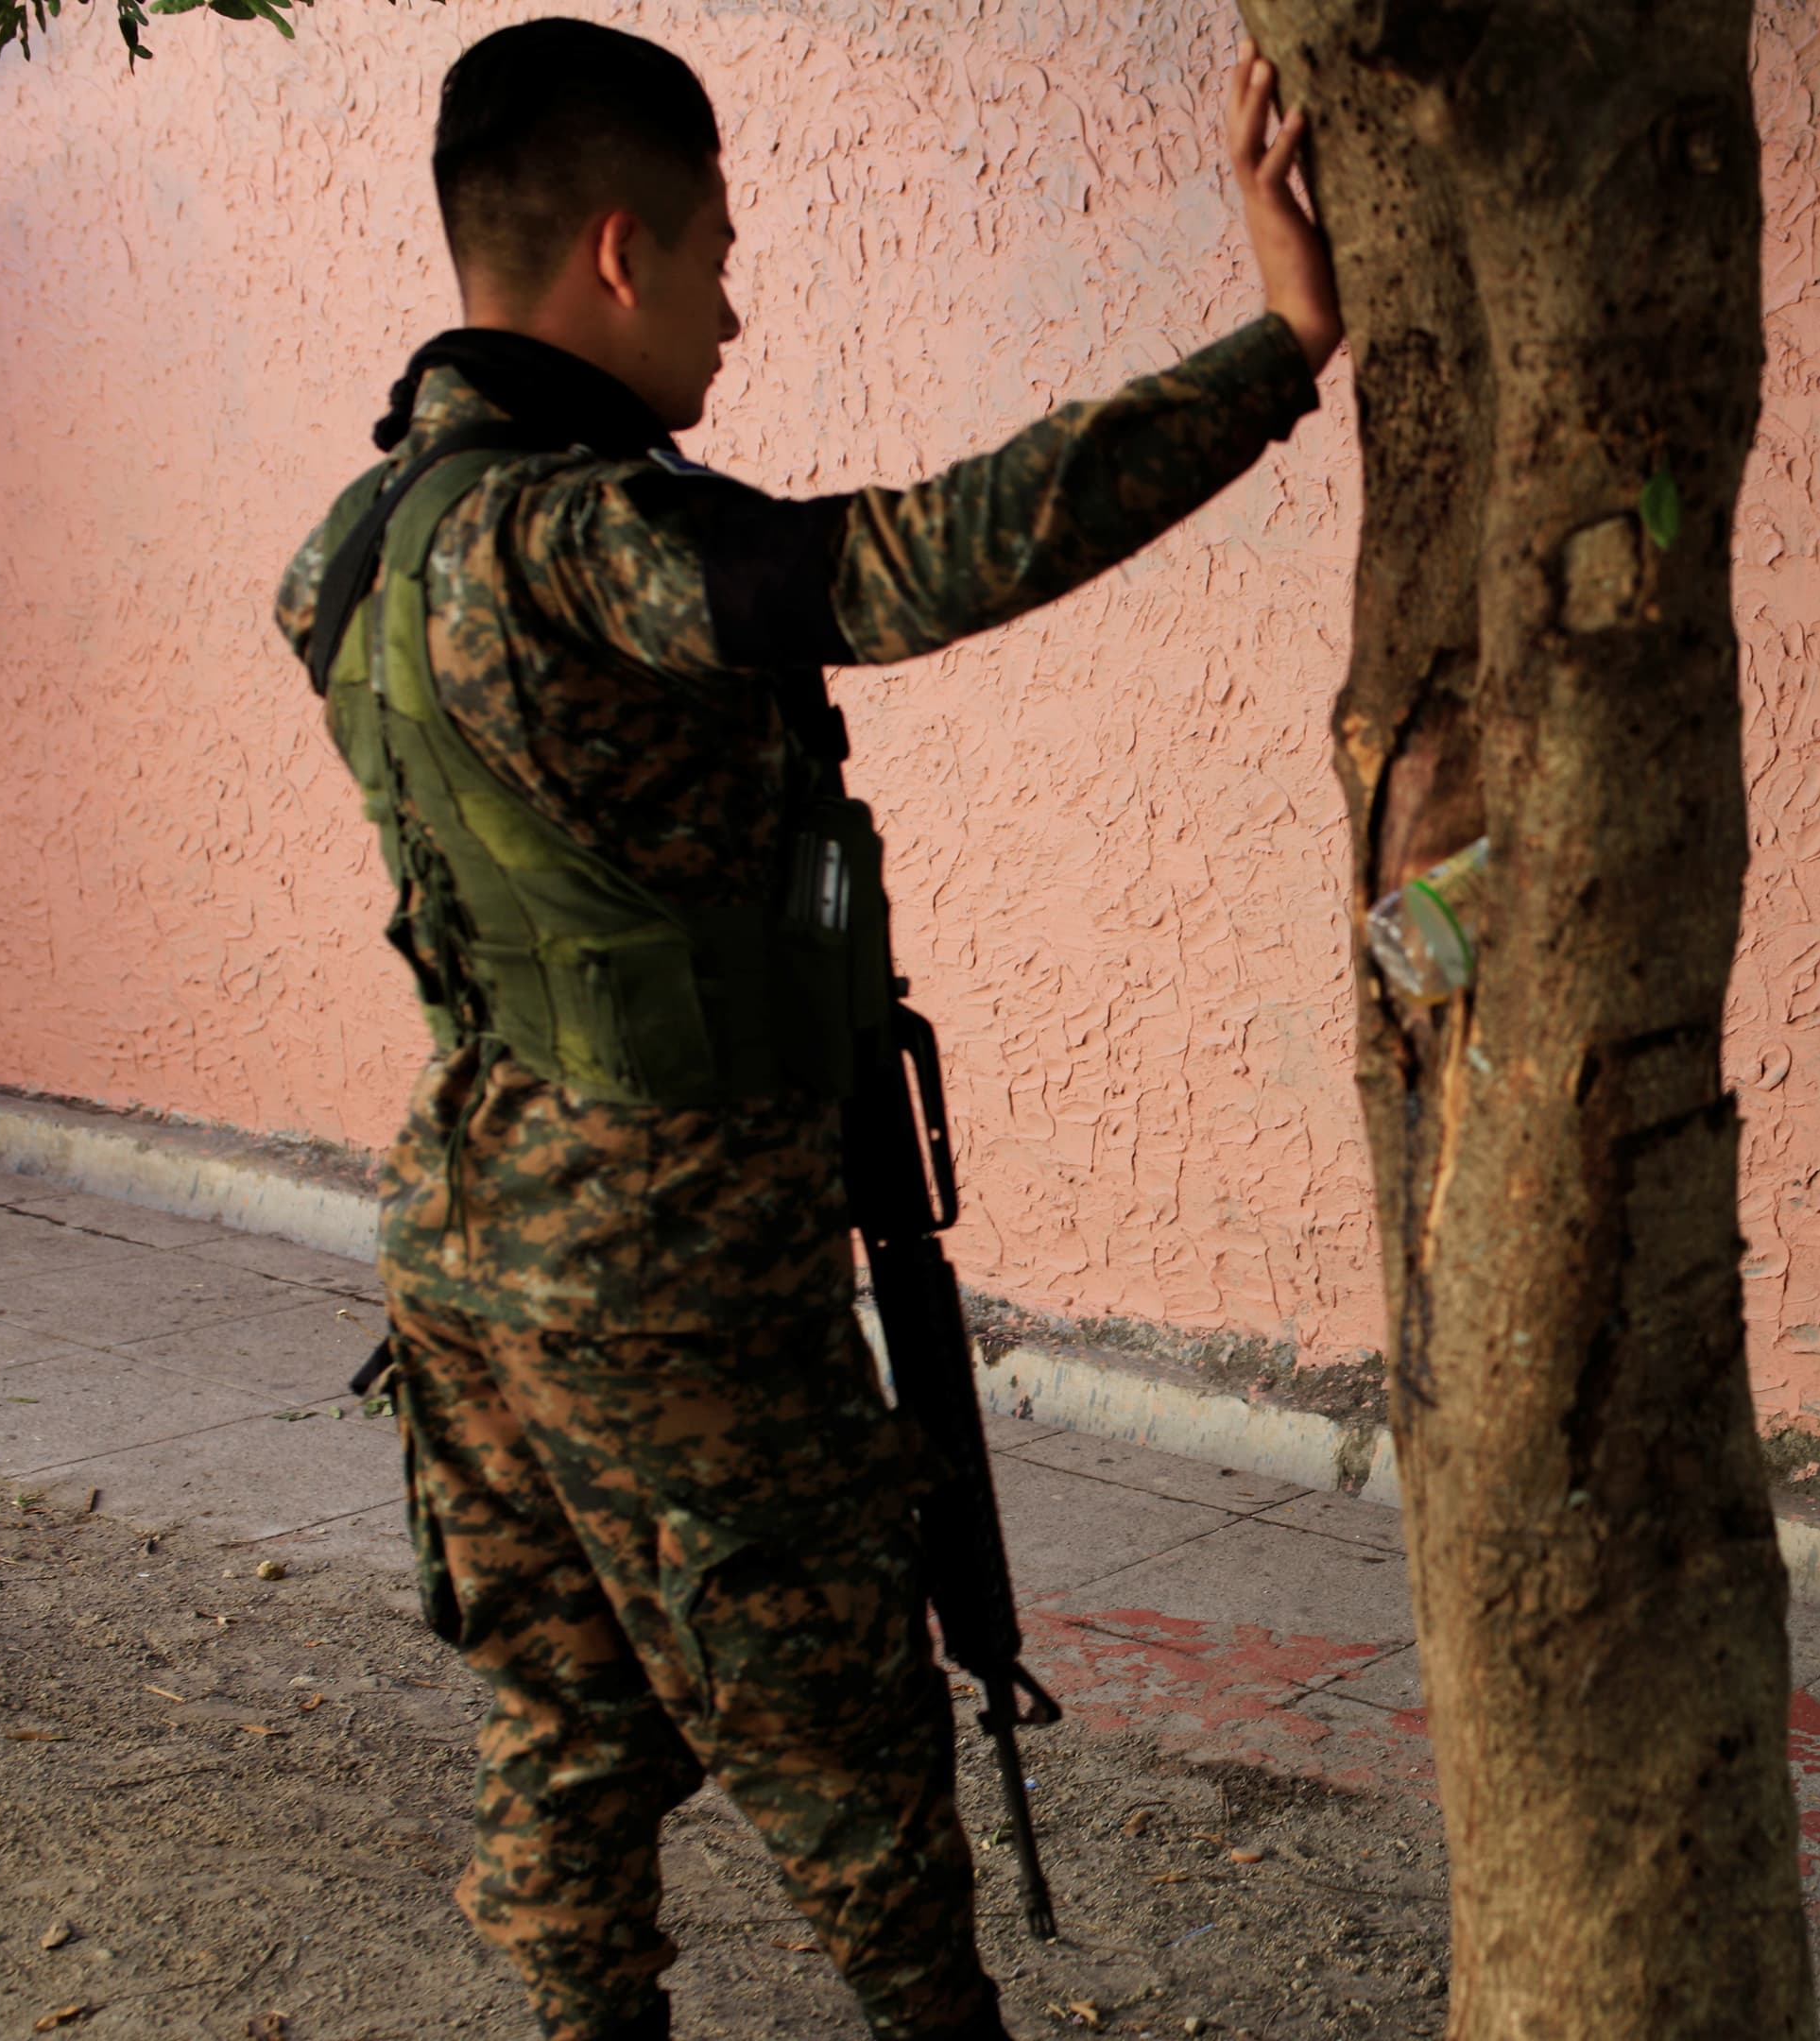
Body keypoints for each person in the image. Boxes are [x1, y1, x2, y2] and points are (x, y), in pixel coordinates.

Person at [271, 21, 1342, 2041]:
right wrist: (1281, 348)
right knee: (844, 1746)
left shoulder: (358, 545)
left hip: (469, 1249)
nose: (736, 308)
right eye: (717, 253)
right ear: (615, 253)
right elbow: (914, 557)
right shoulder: (574, 537)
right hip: (669, 1278)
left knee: (568, 1726)